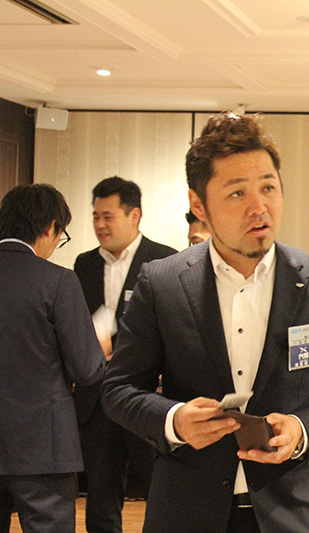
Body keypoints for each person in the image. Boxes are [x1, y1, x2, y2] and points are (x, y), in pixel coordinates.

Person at [102, 113, 309, 532]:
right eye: (236, 193)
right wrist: (175, 421)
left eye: (268, 187)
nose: (259, 207)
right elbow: (119, 389)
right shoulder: (161, 283)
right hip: (186, 510)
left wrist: (302, 430)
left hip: (294, 510)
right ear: (199, 205)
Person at [73, 176, 177, 533]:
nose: (100, 225)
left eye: (108, 216)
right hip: (97, 396)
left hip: (146, 395)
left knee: (160, 488)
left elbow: (176, 328)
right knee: (101, 495)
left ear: (134, 216)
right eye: (95, 216)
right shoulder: (84, 264)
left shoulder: (164, 260)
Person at [0, 184, 105, 532]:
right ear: (50, 227)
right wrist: (99, 347)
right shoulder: (57, 280)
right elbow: (87, 370)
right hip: (42, 447)